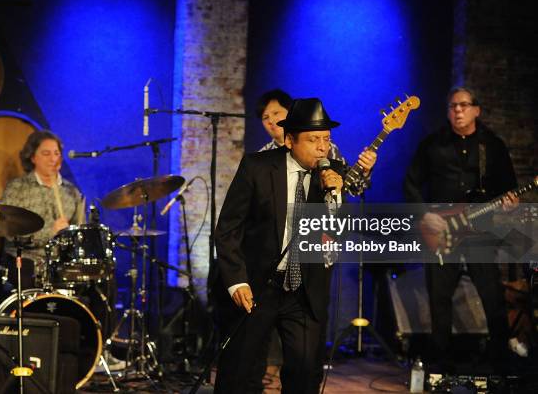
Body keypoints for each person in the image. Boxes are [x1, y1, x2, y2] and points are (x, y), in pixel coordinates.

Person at [214, 98, 377, 393]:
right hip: (258, 284)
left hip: (305, 289)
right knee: (240, 371)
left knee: (304, 373)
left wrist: (336, 196)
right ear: (290, 140)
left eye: (326, 139)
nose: (322, 147)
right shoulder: (258, 167)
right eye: (313, 139)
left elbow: (338, 234)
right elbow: (227, 229)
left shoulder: (335, 173)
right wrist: (237, 282)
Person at [404, 86, 519, 371]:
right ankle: (438, 364)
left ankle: (499, 361)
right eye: (453, 106)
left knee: (491, 294)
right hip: (441, 229)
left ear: (477, 110)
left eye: (464, 105)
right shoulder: (432, 143)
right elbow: (410, 184)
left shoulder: (492, 146)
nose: (458, 110)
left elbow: (509, 189)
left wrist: (510, 202)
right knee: (439, 298)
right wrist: (425, 215)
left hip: (480, 230)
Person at [1, 129, 84, 284]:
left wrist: (70, 235)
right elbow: (10, 233)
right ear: (32, 157)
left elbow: (78, 235)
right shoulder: (17, 188)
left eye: (57, 153)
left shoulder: (72, 192)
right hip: (25, 260)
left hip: (60, 264)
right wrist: (50, 232)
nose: (53, 159)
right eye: (46, 154)